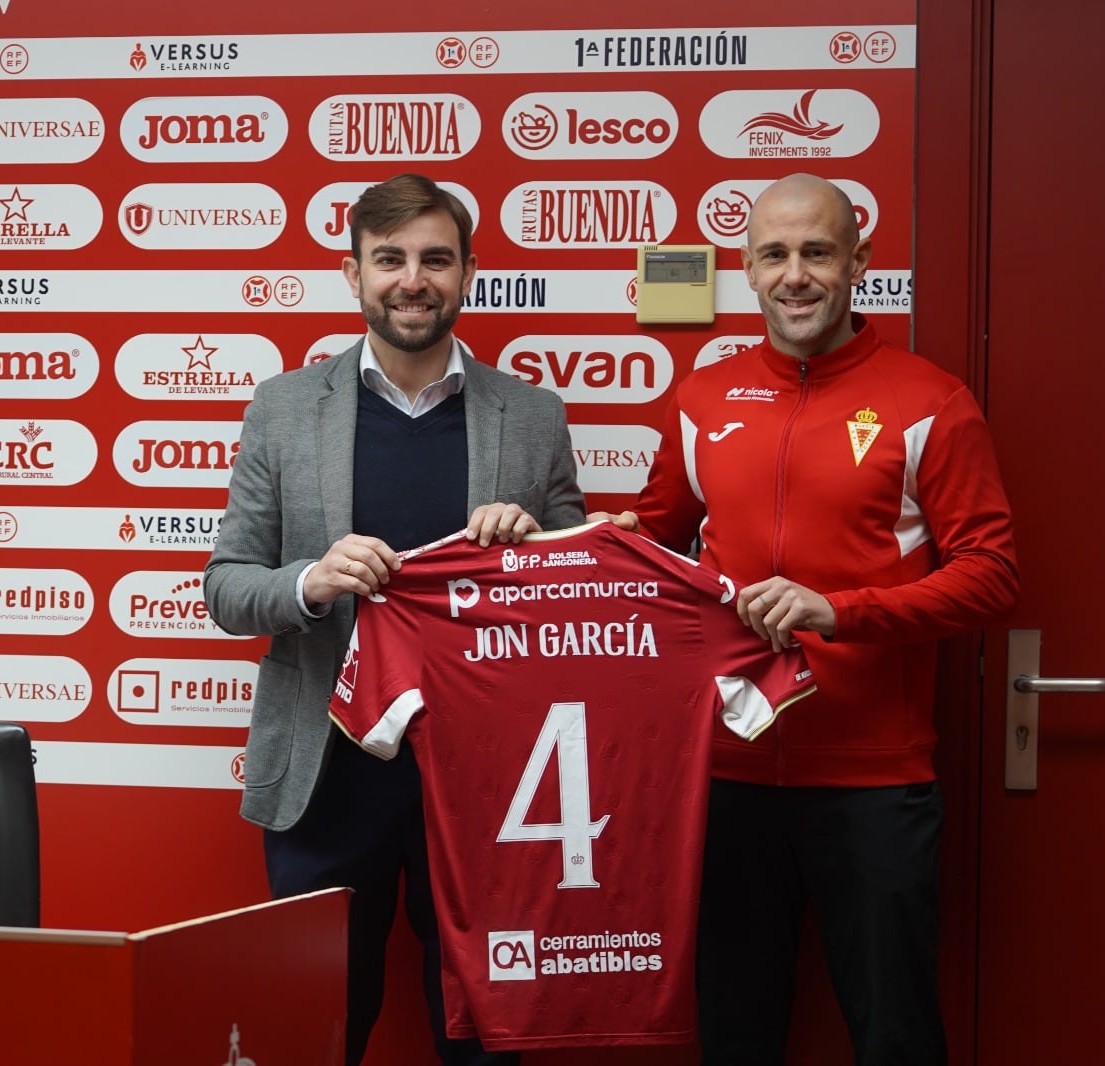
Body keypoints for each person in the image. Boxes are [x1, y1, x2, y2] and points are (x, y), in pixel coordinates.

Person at [594, 173, 1018, 1064]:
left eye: (818, 252)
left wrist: (842, 612)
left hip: (873, 781)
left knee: (895, 1035)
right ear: (746, 269)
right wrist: (567, 545)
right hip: (726, 773)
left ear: (858, 262)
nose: (797, 275)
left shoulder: (930, 402)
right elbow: (657, 541)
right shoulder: (702, 399)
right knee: (734, 1033)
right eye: (775, 254)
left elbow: (991, 577)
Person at [204, 173, 585, 1066]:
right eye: (390, 260)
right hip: (328, 775)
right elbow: (227, 587)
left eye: (435, 259)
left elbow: (584, 590)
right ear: (353, 274)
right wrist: (312, 581)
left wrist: (531, 549)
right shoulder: (285, 408)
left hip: (489, 782)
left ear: (469, 272)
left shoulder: (532, 417)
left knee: (485, 1034)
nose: (413, 279)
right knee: (315, 1025)